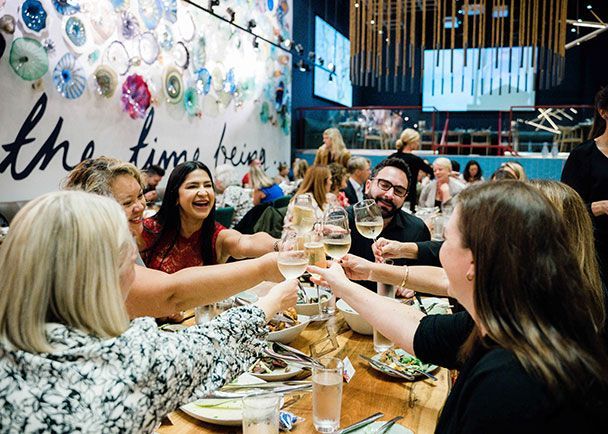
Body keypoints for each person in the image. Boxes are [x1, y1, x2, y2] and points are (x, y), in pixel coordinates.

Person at [310, 182, 608, 432]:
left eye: (447, 240)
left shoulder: (510, 386)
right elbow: (419, 328)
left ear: (475, 263)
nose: (438, 252)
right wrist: (345, 285)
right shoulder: (510, 322)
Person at [0, 190, 298, 432]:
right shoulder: (132, 359)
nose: (139, 207)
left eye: (140, 196)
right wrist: (271, 300)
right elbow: (212, 343)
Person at [64, 157, 283, 318]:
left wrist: (278, 245)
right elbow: (169, 294)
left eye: (140, 196)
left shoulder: (214, 234)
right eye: (128, 202)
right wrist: (264, 269)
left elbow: (246, 241)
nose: (140, 207)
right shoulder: (133, 236)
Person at [141, 161, 277, 273]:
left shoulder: (217, 237)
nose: (203, 192)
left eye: (207, 185)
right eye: (192, 186)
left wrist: (280, 245)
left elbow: (246, 242)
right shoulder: (148, 230)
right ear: (176, 196)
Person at [347, 157, 430, 293]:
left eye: (398, 191)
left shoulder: (417, 229)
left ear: (405, 197)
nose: (390, 195)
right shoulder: (345, 221)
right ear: (368, 186)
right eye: (384, 185)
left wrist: (413, 286)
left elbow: (427, 279)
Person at [562, 86, 608, 285]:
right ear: (603, 112)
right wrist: (598, 207)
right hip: (595, 253)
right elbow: (565, 209)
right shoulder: (583, 155)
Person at [388, 128, 434, 212]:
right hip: (409, 197)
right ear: (411, 142)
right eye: (417, 141)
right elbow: (432, 171)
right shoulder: (416, 160)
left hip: (392, 195)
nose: (418, 143)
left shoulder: (391, 157)